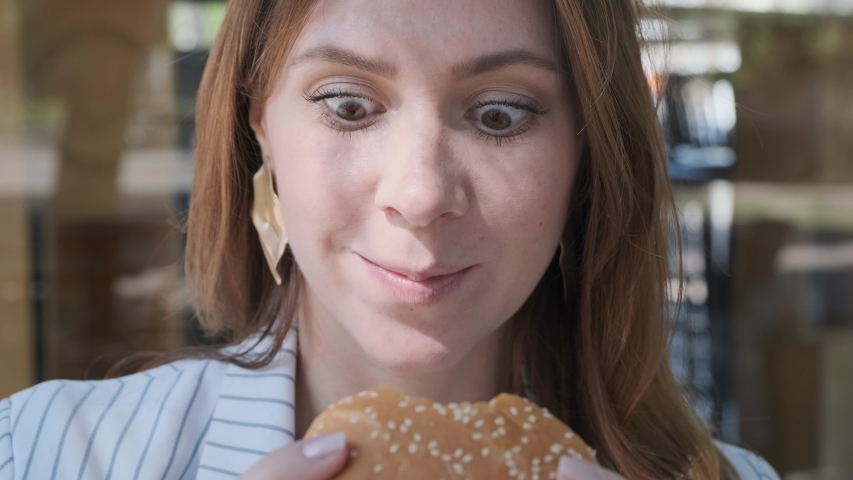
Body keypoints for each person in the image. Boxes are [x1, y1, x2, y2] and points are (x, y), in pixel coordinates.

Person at [0, 0, 780, 478]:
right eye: (346, 106)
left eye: (499, 114)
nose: (419, 195)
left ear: (587, 152)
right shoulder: (43, 452)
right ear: (260, 125)